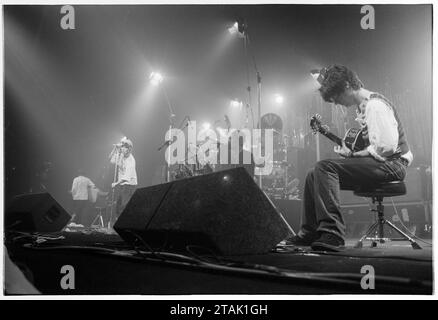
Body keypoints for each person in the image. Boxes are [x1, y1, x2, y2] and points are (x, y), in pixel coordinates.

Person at [286, 65, 413, 251]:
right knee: (313, 174)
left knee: (324, 166)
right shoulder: (364, 108)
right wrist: (353, 154)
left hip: (393, 164)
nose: (336, 103)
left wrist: (355, 155)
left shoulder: (375, 106)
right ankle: (309, 232)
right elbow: (373, 147)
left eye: (336, 97)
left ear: (346, 85)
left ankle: (332, 233)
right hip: (384, 163)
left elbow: (386, 148)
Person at [108, 137, 137, 222]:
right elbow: (110, 159)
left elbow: (126, 178)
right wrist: (115, 148)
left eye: (124, 147)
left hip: (129, 185)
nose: (122, 149)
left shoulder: (131, 161)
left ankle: (125, 223)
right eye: (122, 147)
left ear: (129, 149)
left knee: (124, 206)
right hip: (121, 185)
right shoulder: (121, 156)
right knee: (118, 205)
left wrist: (115, 183)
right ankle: (118, 223)